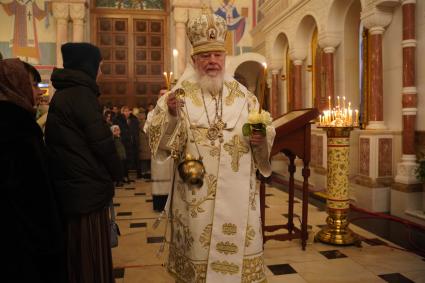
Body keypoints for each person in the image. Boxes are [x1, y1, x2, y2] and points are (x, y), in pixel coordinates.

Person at [146, 10, 275, 283]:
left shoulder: (244, 97)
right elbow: (161, 144)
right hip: (196, 196)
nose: (212, 61)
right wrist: (171, 115)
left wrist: (260, 139)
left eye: (217, 55)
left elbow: (265, 133)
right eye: (205, 56)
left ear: (225, 58)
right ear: (194, 61)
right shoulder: (176, 96)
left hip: (239, 197)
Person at [45, 42, 122, 283]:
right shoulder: (81, 95)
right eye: (99, 66)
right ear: (88, 66)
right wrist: (117, 170)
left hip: (74, 187)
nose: (101, 72)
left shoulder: (65, 94)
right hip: (86, 191)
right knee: (90, 255)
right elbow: (101, 142)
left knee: (78, 254)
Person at [0, 58, 66, 282]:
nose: (38, 93)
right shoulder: (18, 127)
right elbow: (35, 193)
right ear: (14, 84)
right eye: (31, 85)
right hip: (23, 240)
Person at [144, 87, 172, 211]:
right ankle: (160, 205)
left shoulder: (176, 111)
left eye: (166, 94)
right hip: (159, 153)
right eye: (161, 94)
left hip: (172, 153)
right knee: (160, 180)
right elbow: (147, 130)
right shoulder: (152, 113)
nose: (163, 96)